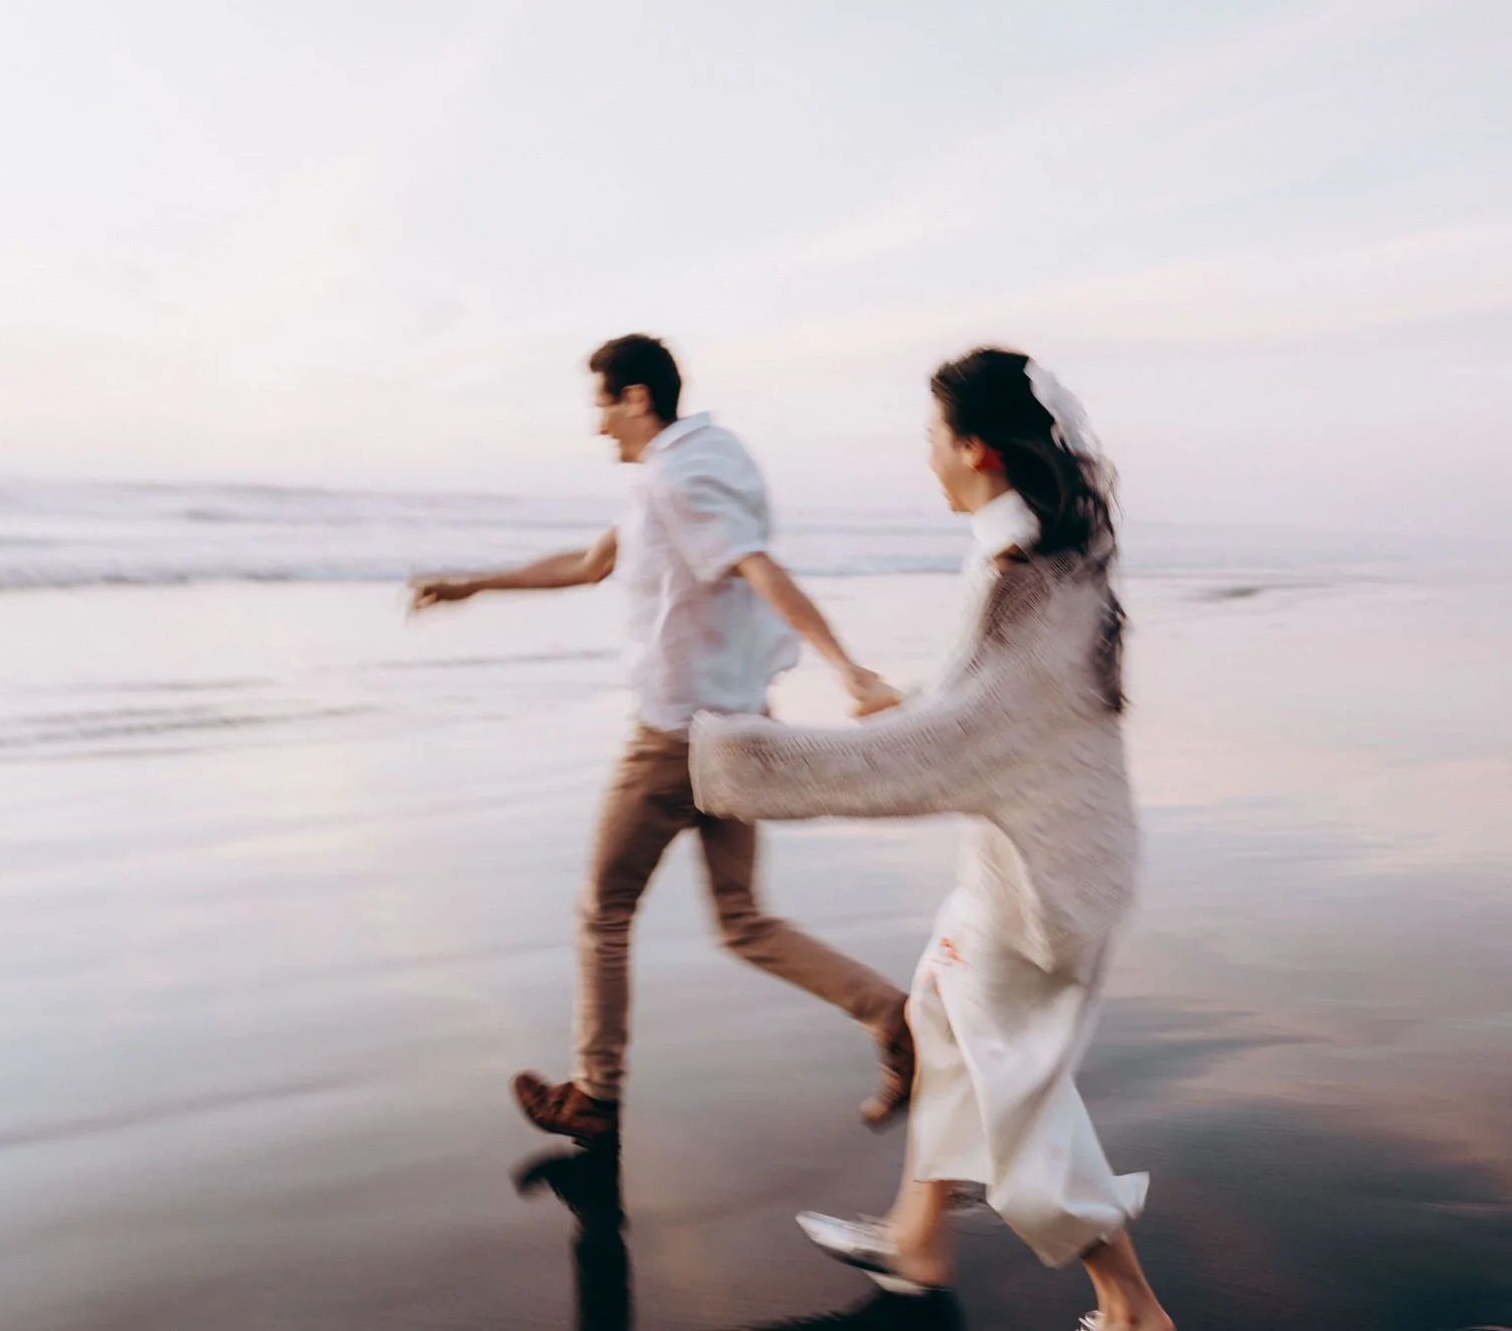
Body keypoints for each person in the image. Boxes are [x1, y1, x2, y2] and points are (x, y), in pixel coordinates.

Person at [689, 349, 1173, 1331]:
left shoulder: (1021, 575)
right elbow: (992, 718)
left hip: (1044, 887)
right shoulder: (1037, 553)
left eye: (930, 440)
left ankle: (1131, 1310)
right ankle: (918, 1241)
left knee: (1017, 1100)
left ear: (977, 450)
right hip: (1034, 860)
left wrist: (728, 763)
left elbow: (951, 751)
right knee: (941, 1026)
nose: (924, 458)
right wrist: (901, 702)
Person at [411, 334, 913, 1146]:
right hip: (738, 727)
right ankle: (895, 1017)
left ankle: (596, 1095)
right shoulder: (695, 463)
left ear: (637, 397)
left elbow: (757, 566)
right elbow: (590, 561)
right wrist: (474, 584)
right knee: (743, 918)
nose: (598, 425)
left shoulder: (678, 476)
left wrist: (848, 668)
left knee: (602, 910)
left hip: (677, 739)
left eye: (603, 405)